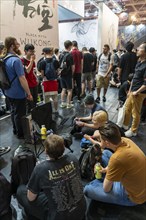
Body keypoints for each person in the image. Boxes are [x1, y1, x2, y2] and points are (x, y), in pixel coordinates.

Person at [16, 134, 86, 220]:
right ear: (64, 148)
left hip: (60, 217)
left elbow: (31, 198)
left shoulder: (40, 169)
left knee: (20, 191)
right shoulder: (73, 158)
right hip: (82, 209)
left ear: (46, 151)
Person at [84, 122, 146, 206]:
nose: (99, 140)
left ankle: (104, 181)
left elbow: (106, 189)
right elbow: (120, 162)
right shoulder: (126, 140)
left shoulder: (117, 158)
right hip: (140, 186)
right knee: (106, 153)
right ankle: (109, 178)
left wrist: (108, 174)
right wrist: (106, 169)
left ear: (107, 143)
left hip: (134, 197)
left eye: (100, 139)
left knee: (87, 189)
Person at [3, 37, 33, 139]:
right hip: (18, 92)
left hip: (8, 91)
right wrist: (28, 93)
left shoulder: (4, 58)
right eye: (17, 44)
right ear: (12, 45)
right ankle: (21, 134)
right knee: (20, 114)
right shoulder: (16, 60)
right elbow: (22, 78)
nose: (18, 45)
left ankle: (15, 130)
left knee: (13, 111)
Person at [123, 42, 146, 137]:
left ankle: (133, 130)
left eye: (140, 48)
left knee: (135, 113)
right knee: (127, 109)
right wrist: (130, 90)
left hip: (139, 93)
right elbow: (134, 78)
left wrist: (137, 91)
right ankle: (124, 126)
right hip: (133, 91)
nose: (137, 49)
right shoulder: (139, 61)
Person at [39, 47, 60, 115]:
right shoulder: (55, 61)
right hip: (54, 81)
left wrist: (43, 79)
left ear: (44, 53)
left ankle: (47, 112)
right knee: (55, 98)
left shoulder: (42, 62)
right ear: (51, 52)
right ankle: (56, 110)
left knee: (46, 99)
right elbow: (57, 72)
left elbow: (42, 74)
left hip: (46, 82)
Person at [21, 44, 38, 113]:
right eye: (30, 51)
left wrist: (36, 78)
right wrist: (31, 61)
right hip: (27, 85)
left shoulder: (32, 60)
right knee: (29, 104)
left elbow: (32, 70)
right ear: (25, 51)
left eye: (33, 51)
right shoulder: (21, 60)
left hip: (34, 83)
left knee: (35, 102)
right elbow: (27, 71)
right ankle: (29, 120)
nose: (32, 53)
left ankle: (35, 118)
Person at [59, 40, 75, 108]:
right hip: (68, 75)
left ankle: (62, 103)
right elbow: (73, 66)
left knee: (63, 89)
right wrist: (72, 74)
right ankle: (68, 104)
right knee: (69, 90)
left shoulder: (61, 54)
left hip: (62, 74)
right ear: (70, 46)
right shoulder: (70, 55)